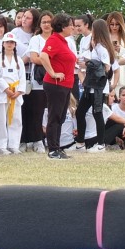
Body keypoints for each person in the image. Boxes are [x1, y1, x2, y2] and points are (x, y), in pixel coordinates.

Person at [74, 19, 119, 153]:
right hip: (91, 85)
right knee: (80, 111)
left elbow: (106, 67)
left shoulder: (102, 48)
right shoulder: (95, 46)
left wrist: (88, 64)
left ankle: (100, 144)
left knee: (97, 113)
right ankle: (80, 143)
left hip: (98, 86)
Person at [39, 13, 77, 160]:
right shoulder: (54, 39)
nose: (72, 27)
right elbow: (43, 56)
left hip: (65, 85)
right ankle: (52, 149)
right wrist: (53, 73)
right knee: (54, 116)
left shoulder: (63, 41)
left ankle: (57, 147)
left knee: (60, 117)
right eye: (70, 25)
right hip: (55, 85)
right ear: (63, 27)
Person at [23, 11, 53, 153]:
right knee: (37, 111)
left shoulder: (58, 39)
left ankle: (52, 139)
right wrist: (50, 62)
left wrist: (44, 59)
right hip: (38, 81)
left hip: (55, 80)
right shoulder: (36, 39)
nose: (46, 25)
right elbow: (34, 58)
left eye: (49, 22)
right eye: (44, 22)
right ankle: (37, 139)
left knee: (52, 111)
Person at [0, 31, 25, 154]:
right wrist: (6, 89)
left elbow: (22, 78)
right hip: (3, 93)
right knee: (1, 120)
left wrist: (19, 91)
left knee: (16, 120)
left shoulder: (19, 60)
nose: (9, 44)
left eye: (12, 42)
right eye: (7, 42)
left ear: (15, 44)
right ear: (3, 44)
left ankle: (14, 145)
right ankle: (1, 145)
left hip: (15, 94)